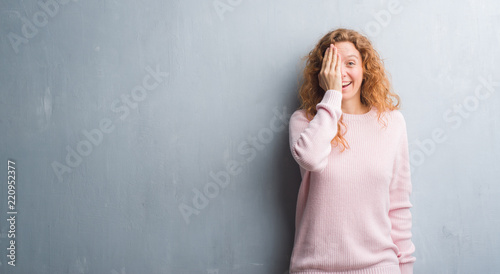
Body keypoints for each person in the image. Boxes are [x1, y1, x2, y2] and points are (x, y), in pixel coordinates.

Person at [288, 28, 416, 274]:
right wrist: (333, 95)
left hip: (380, 266)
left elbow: (399, 205)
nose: (342, 72)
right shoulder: (305, 122)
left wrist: (405, 269)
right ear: (322, 73)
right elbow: (311, 158)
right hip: (314, 268)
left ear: (364, 68)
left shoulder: (392, 123)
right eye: (333, 64)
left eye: (350, 63)